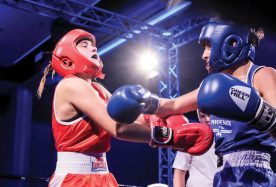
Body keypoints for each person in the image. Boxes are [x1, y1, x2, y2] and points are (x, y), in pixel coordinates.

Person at [107, 19, 276, 187]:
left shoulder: (262, 75)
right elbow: (172, 106)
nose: (204, 55)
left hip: (255, 177)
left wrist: (255, 110)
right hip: (222, 177)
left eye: (208, 45)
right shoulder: (212, 86)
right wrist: (144, 99)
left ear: (231, 42)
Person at [37, 28, 213, 187]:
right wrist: (170, 136)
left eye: (93, 45)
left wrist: (155, 118)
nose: (93, 48)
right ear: (68, 59)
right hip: (74, 179)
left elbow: (129, 115)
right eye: (85, 45)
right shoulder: (71, 85)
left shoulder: (97, 88)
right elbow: (117, 127)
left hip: (102, 176)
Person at [173, 112, 217, 187]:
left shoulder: (230, 137)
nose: (207, 119)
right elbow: (179, 171)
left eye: (210, 115)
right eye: (202, 116)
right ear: (198, 118)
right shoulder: (191, 137)